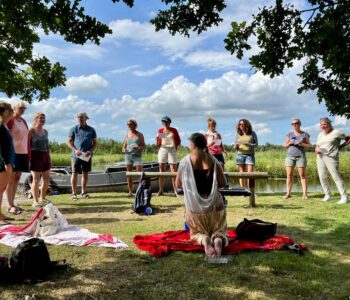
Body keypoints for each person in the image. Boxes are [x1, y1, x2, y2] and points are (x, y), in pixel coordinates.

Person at [175, 133, 227, 257]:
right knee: (218, 229)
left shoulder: (184, 161)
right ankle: (218, 239)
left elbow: (178, 184)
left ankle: (204, 240)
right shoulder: (213, 160)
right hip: (214, 205)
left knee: (197, 233)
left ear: (192, 144)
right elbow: (222, 183)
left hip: (195, 207)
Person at [315, 117, 350, 204]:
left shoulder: (336, 132)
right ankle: (327, 195)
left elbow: (348, 139)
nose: (323, 126)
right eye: (321, 125)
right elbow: (317, 145)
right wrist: (316, 149)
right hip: (320, 157)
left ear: (329, 124)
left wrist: (339, 147)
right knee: (322, 176)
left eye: (325, 124)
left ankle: (344, 196)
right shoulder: (320, 135)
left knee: (336, 176)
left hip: (331, 157)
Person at [5, 101, 30, 215]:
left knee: (17, 178)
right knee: (10, 178)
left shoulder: (23, 121)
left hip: (23, 153)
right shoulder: (11, 120)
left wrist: (28, 154)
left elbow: (27, 138)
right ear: (14, 108)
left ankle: (13, 202)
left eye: (24, 108)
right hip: (13, 152)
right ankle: (9, 205)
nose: (22, 110)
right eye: (20, 108)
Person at [66, 112, 97, 200]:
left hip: (87, 155)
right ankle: (74, 193)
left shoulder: (92, 130)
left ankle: (83, 192)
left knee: (85, 173)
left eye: (81, 117)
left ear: (86, 118)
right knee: (74, 173)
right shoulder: (73, 129)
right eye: (78, 117)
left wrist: (90, 151)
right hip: (75, 156)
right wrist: (75, 150)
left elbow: (95, 143)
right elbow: (68, 142)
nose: (79, 118)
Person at [283, 118, 311, 200]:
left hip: (301, 156)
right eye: (293, 124)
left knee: (302, 175)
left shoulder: (305, 134)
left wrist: (301, 143)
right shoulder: (289, 134)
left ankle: (305, 194)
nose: (295, 125)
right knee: (289, 175)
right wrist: (290, 142)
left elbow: (309, 145)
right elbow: (285, 146)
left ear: (300, 124)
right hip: (290, 157)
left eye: (296, 123)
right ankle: (288, 193)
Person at [29, 113, 52, 209]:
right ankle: (35, 201)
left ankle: (43, 198)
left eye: (44, 118)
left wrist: (49, 158)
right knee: (36, 179)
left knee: (46, 178)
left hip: (45, 156)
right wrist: (29, 158)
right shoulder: (31, 130)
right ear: (36, 119)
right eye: (40, 118)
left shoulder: (46, 131)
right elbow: (28, 145)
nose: (42, 120)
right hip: (35, 155)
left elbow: (47, 146)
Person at [156, 116, 181, 196]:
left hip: (172, 149)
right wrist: (157, 139)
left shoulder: (174, 130)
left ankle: (175, 190)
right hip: (163, 149)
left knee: (173, 170)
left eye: (166, 122)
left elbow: (178, 141)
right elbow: (158, 142)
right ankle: (160, 190)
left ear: (169, 123)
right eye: (164, 122)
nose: (165, 123)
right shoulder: (161, 130)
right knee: (161, 169)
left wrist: (175, 148)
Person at [122, 118, 146, 197]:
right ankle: (130, 192)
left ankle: (140, 191)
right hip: (128, 156)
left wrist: (138, 147)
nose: (129, 126)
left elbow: (144, 146)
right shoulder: (126, 135)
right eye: (128, 125)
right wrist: (125, 150)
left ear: (135, 125)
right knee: (129, 174)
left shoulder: (140, 134)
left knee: (139, 174)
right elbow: (123, 148)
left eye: (130, 124)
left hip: (137, 156)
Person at [0, 101, 15, 224]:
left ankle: (0, 214)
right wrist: (6, 162)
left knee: (2, 188)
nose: (12, 112)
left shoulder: (4, 125)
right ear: (5, 112)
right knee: (0, 189)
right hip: (3, 162)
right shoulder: (0, 125)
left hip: (7, 160)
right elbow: (2, 146)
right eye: (10, 110)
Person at [233, 119, 258, 187]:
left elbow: (256, 145)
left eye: (242, 124)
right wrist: (235, 146)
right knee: (241, 173)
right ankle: (243, 190)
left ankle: (251, 191)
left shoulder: (252, 133)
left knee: (250, 174)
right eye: (240, 124)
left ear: (247, 125)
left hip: (250, 155)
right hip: (240, 155)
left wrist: (249, 144)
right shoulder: (238, 134)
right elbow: (234, 146)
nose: (241, 125)